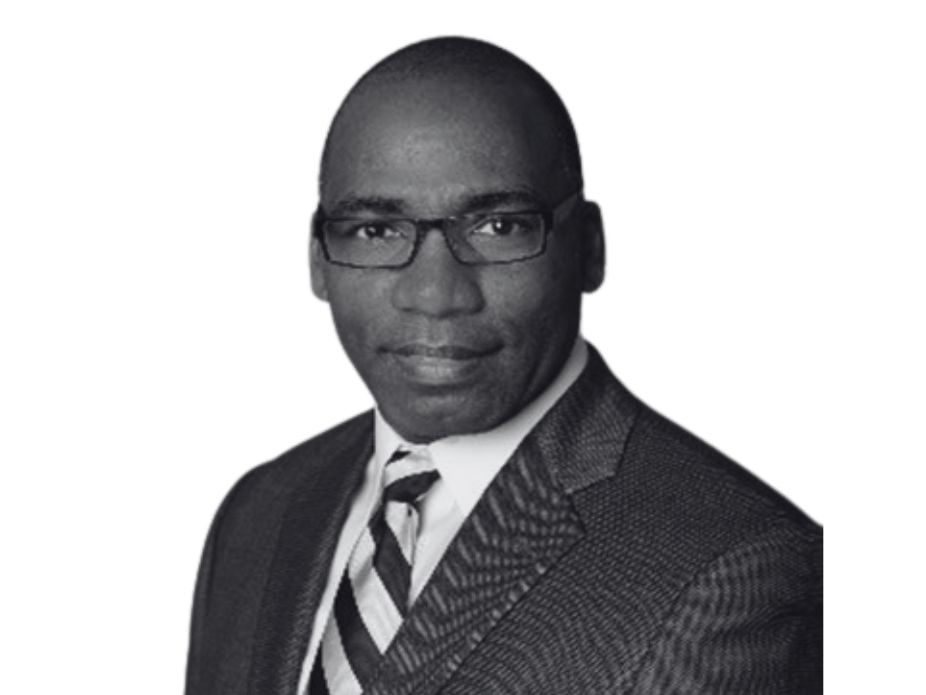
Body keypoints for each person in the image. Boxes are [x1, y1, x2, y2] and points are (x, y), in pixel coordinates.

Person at [185, 37, 822, 695]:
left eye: (498, 227)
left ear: (589, 248)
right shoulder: (261, 512)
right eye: (376, 230)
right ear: (318, 260)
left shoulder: (739, 573)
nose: (435, 294)